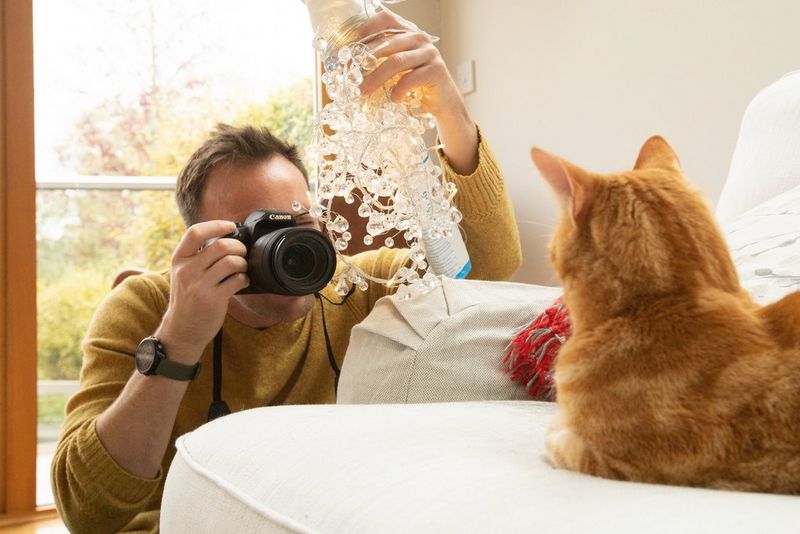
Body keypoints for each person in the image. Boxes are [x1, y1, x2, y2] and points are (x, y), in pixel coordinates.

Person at [51, 9, 522, 533]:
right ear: (206, 242)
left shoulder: (354, 289)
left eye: (301, 218)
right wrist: (179, 340)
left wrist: (449, 110)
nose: (293, 244)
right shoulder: (146, 307)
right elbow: (86, 512)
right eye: (258, 228)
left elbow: (488, 270)